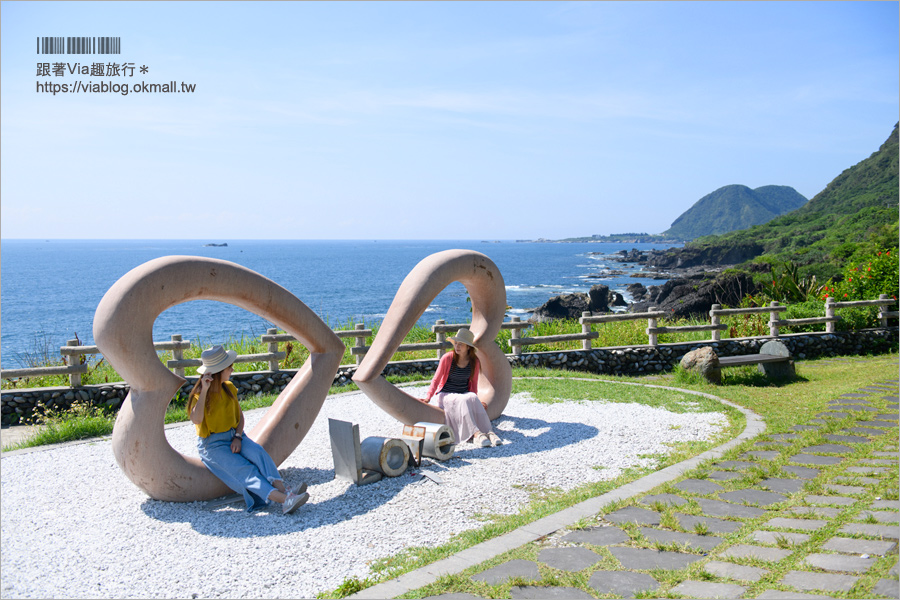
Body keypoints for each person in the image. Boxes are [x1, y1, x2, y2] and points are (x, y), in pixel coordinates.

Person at [188, 345, 308, 514]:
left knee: (258, 453)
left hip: (235, 436)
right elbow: (196, 419)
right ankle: (285, 501)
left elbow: (240, 418)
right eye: (229, 366)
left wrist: (237, 436)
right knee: (245, 470)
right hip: (212, 446)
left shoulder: (229, 388)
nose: (232, 368)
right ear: (218, 371)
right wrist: (205, 390)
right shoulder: (199, 396)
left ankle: (284, 490)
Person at [422, 329, 504, 447]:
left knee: (471, 397)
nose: (457, 346)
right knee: (464, 399)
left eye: (461, 344)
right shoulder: (447, 358)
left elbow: (474, 384)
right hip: (445, 395)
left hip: (463, 394)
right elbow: (436, 379)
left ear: (468, 347)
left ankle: (489, 432)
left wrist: (475, 402)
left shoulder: (474, 361)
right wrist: (428, 397)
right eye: (456, 343)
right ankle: (476, 434)